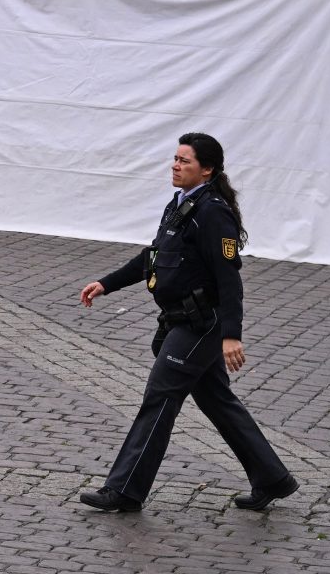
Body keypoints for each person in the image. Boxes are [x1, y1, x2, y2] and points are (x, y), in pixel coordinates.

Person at [77, 133, 295, 514]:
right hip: (181, 320)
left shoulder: (213, 212)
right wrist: (106, 284)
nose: (176, 166)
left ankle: (125, 490)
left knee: (160, 397)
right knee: (218, 401)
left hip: (200, 325)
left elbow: (229, 278)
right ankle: (272, 477)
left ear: (207, 169)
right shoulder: (180, 205)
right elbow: (154, 256)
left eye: (185, 161)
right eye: (175, 159)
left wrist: (231, 335)